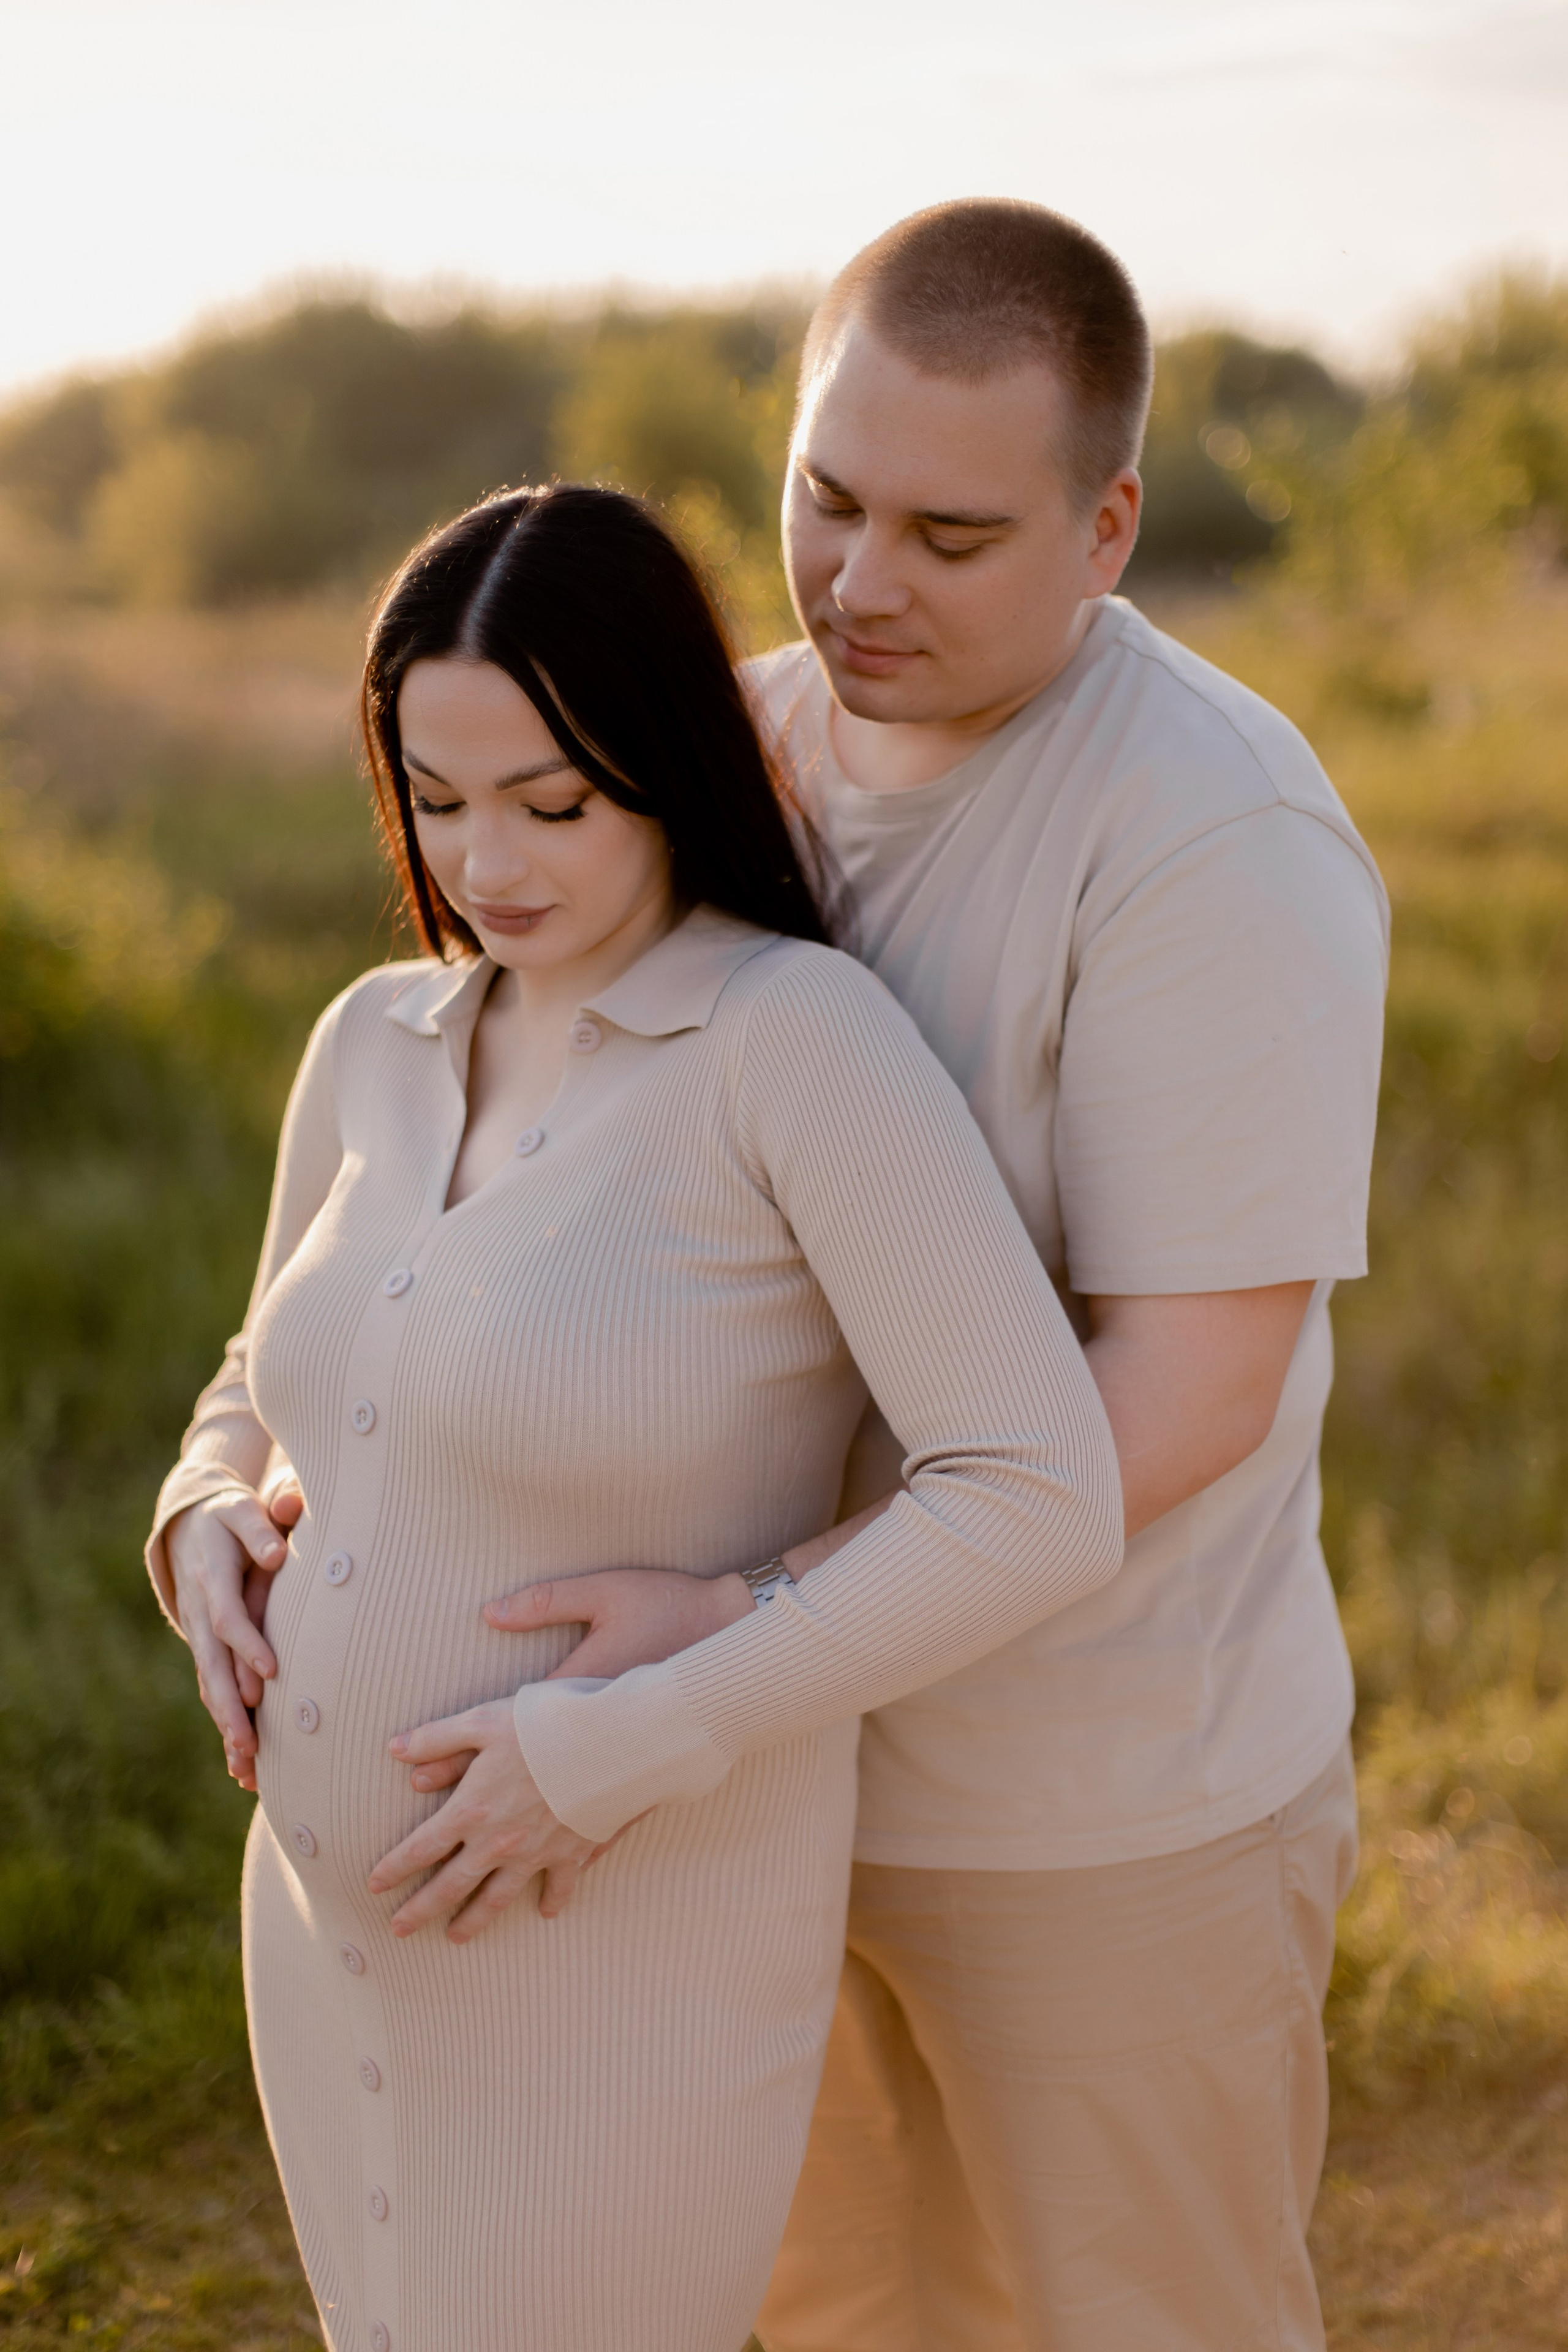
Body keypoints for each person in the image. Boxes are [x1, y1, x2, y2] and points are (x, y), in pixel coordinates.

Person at [473, 205, 1389, 2350]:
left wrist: (744, 1624)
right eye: (828, 498)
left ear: (1108, 528)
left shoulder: (1212, 832)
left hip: (1092, 1810)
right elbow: (510, 1172)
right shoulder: (709, 759)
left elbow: (1190, 1389)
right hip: (733, 1794)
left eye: (953, 537)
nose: (861, 582)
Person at [146, 482, 1122, 2352]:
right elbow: (263, 1372)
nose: (484, 863)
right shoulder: (375, 1040)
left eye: (551, 804)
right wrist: (202, 1511)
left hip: (623, 1927)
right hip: (328, 1942)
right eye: (437, 799)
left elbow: (1037, 1488)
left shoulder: (792, 1042)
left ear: (665, 764)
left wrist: (622, 1746)